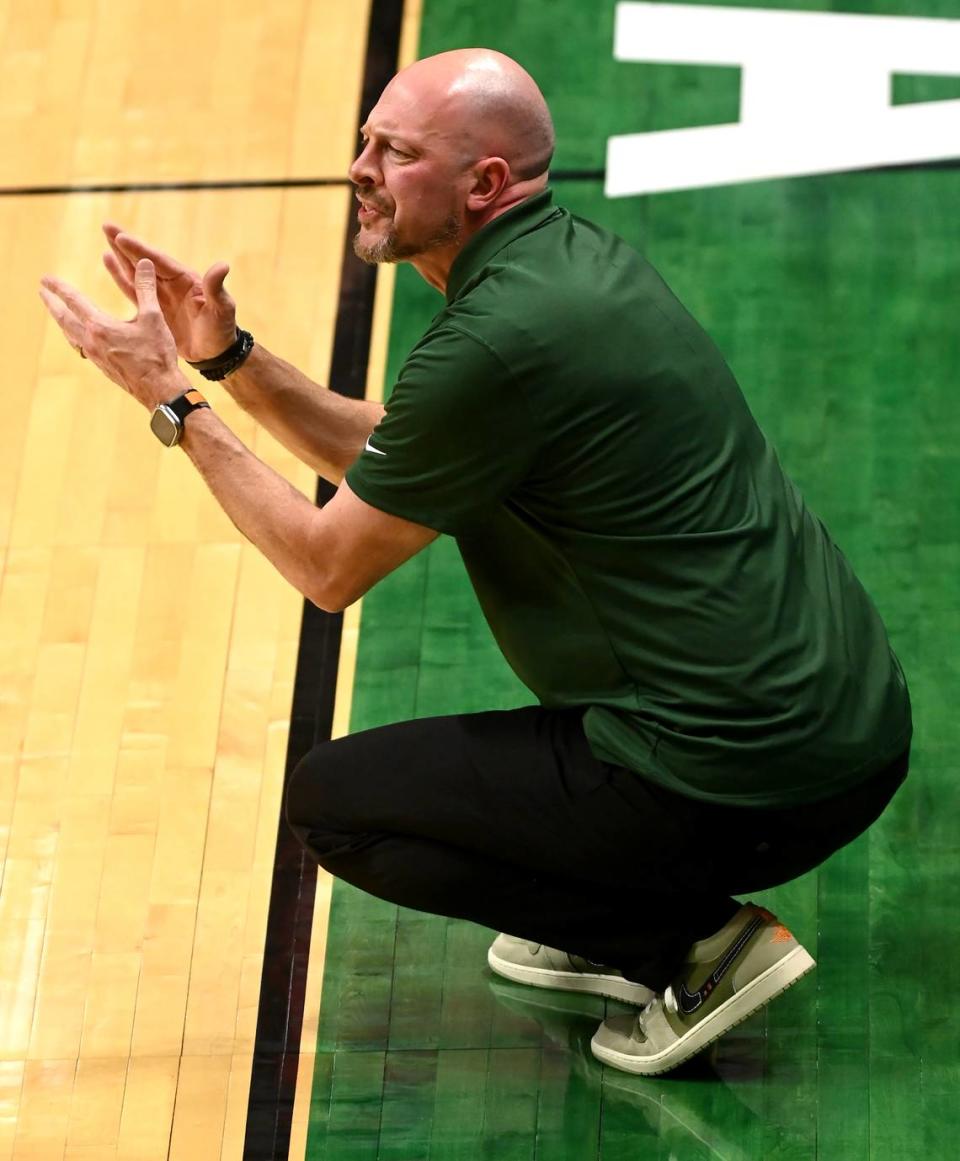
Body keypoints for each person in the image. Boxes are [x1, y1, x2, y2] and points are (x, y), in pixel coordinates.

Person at [39, 48, 911, 1077]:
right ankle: (619, 903)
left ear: (485, 184)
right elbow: (402, 460)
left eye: (395, 152)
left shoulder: (498, 342)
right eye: (365, 139)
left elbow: (326, 566)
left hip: (747, 776)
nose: (359, 166)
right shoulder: (575, 265)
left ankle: (690, 946)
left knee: (339, 806)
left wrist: (174, 405)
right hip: (843, 726)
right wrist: (230, 360)